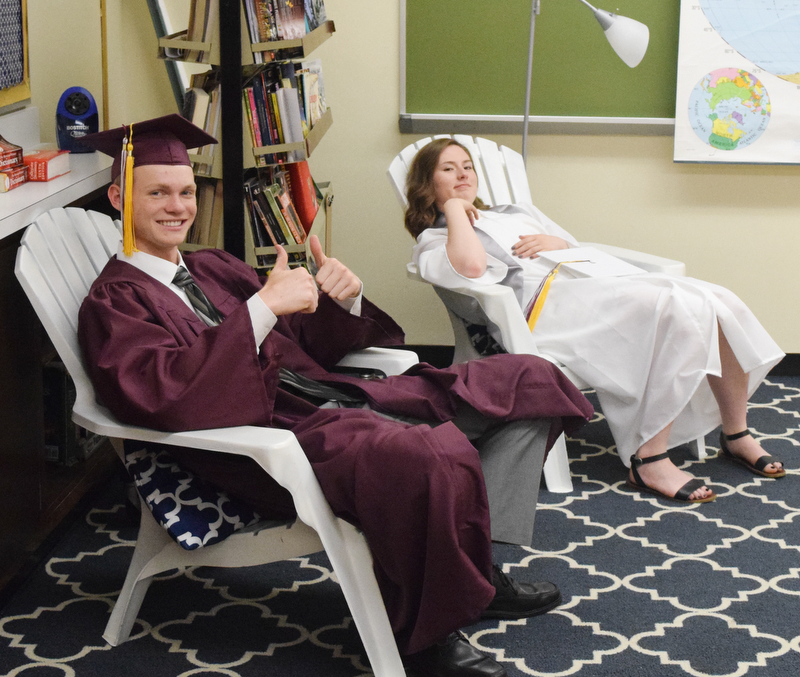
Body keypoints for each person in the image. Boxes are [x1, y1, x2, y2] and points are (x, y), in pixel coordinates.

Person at [77, 115, 594, 677]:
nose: (177, 206)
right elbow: (166, 394)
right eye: (157, 193)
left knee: (532, 381)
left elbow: (303, 345)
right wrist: (261, 309)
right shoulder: (115, 303)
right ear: (118, 197)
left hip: (334, 395)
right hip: (272, 438)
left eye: (184, 192)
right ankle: (429, 635)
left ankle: (471, 567)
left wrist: (338, 301)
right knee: (425, 454)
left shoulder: (211, 266)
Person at [404, 137, 787, 505]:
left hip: (590, 283)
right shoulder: (434, 240)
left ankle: (736, 432)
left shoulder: (517, 213)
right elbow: (470, 268)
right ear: (427, 182)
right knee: (677, 307)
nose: (463, 175)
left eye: (468, 166)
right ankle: (649, 458)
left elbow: (576, 248)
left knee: (721, 300)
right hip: (549, 310)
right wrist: (455, 210)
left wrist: (559, 245)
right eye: (449, 169)